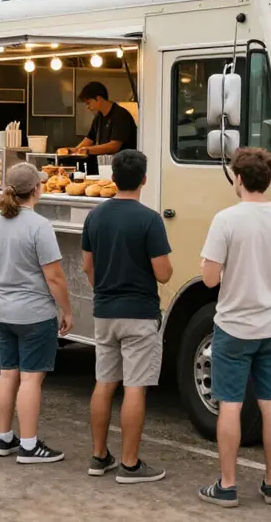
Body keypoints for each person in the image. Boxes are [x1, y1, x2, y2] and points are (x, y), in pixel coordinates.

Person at [198, 147, 271, 508]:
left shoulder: (226, 220)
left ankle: (227, 485)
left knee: (230, 404)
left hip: (234, 326)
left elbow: (209, 279)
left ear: (238, 179)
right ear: (267, 179)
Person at [82, 149, 172, 484]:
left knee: (104, 382)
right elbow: (163, 273)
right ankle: (130, 465)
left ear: (112, 178)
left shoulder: (95, 217)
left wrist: (103, 289)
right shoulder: (149, 219)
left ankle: (98, 455)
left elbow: (87, 266)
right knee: (135, 387)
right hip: (139, 312)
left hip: (104, 311)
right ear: (144, 179)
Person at [0, 162, 73, 463]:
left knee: (7, 373)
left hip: (2, 309)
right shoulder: (39, 225)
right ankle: (30, 444)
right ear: (36, 189)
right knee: (31, 379)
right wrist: (67, 309)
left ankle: (4, 437)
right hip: (34, 312)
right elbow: (54, 277)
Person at [67, 83, 137, 173]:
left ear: (98, 98)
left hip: (123, 167)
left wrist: (88, 150)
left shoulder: (120, 115)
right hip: (105, 166)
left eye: (88, 103)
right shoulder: (99, 117)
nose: (87, 106)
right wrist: (73, 151)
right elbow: (89, 139)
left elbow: (114, 146)